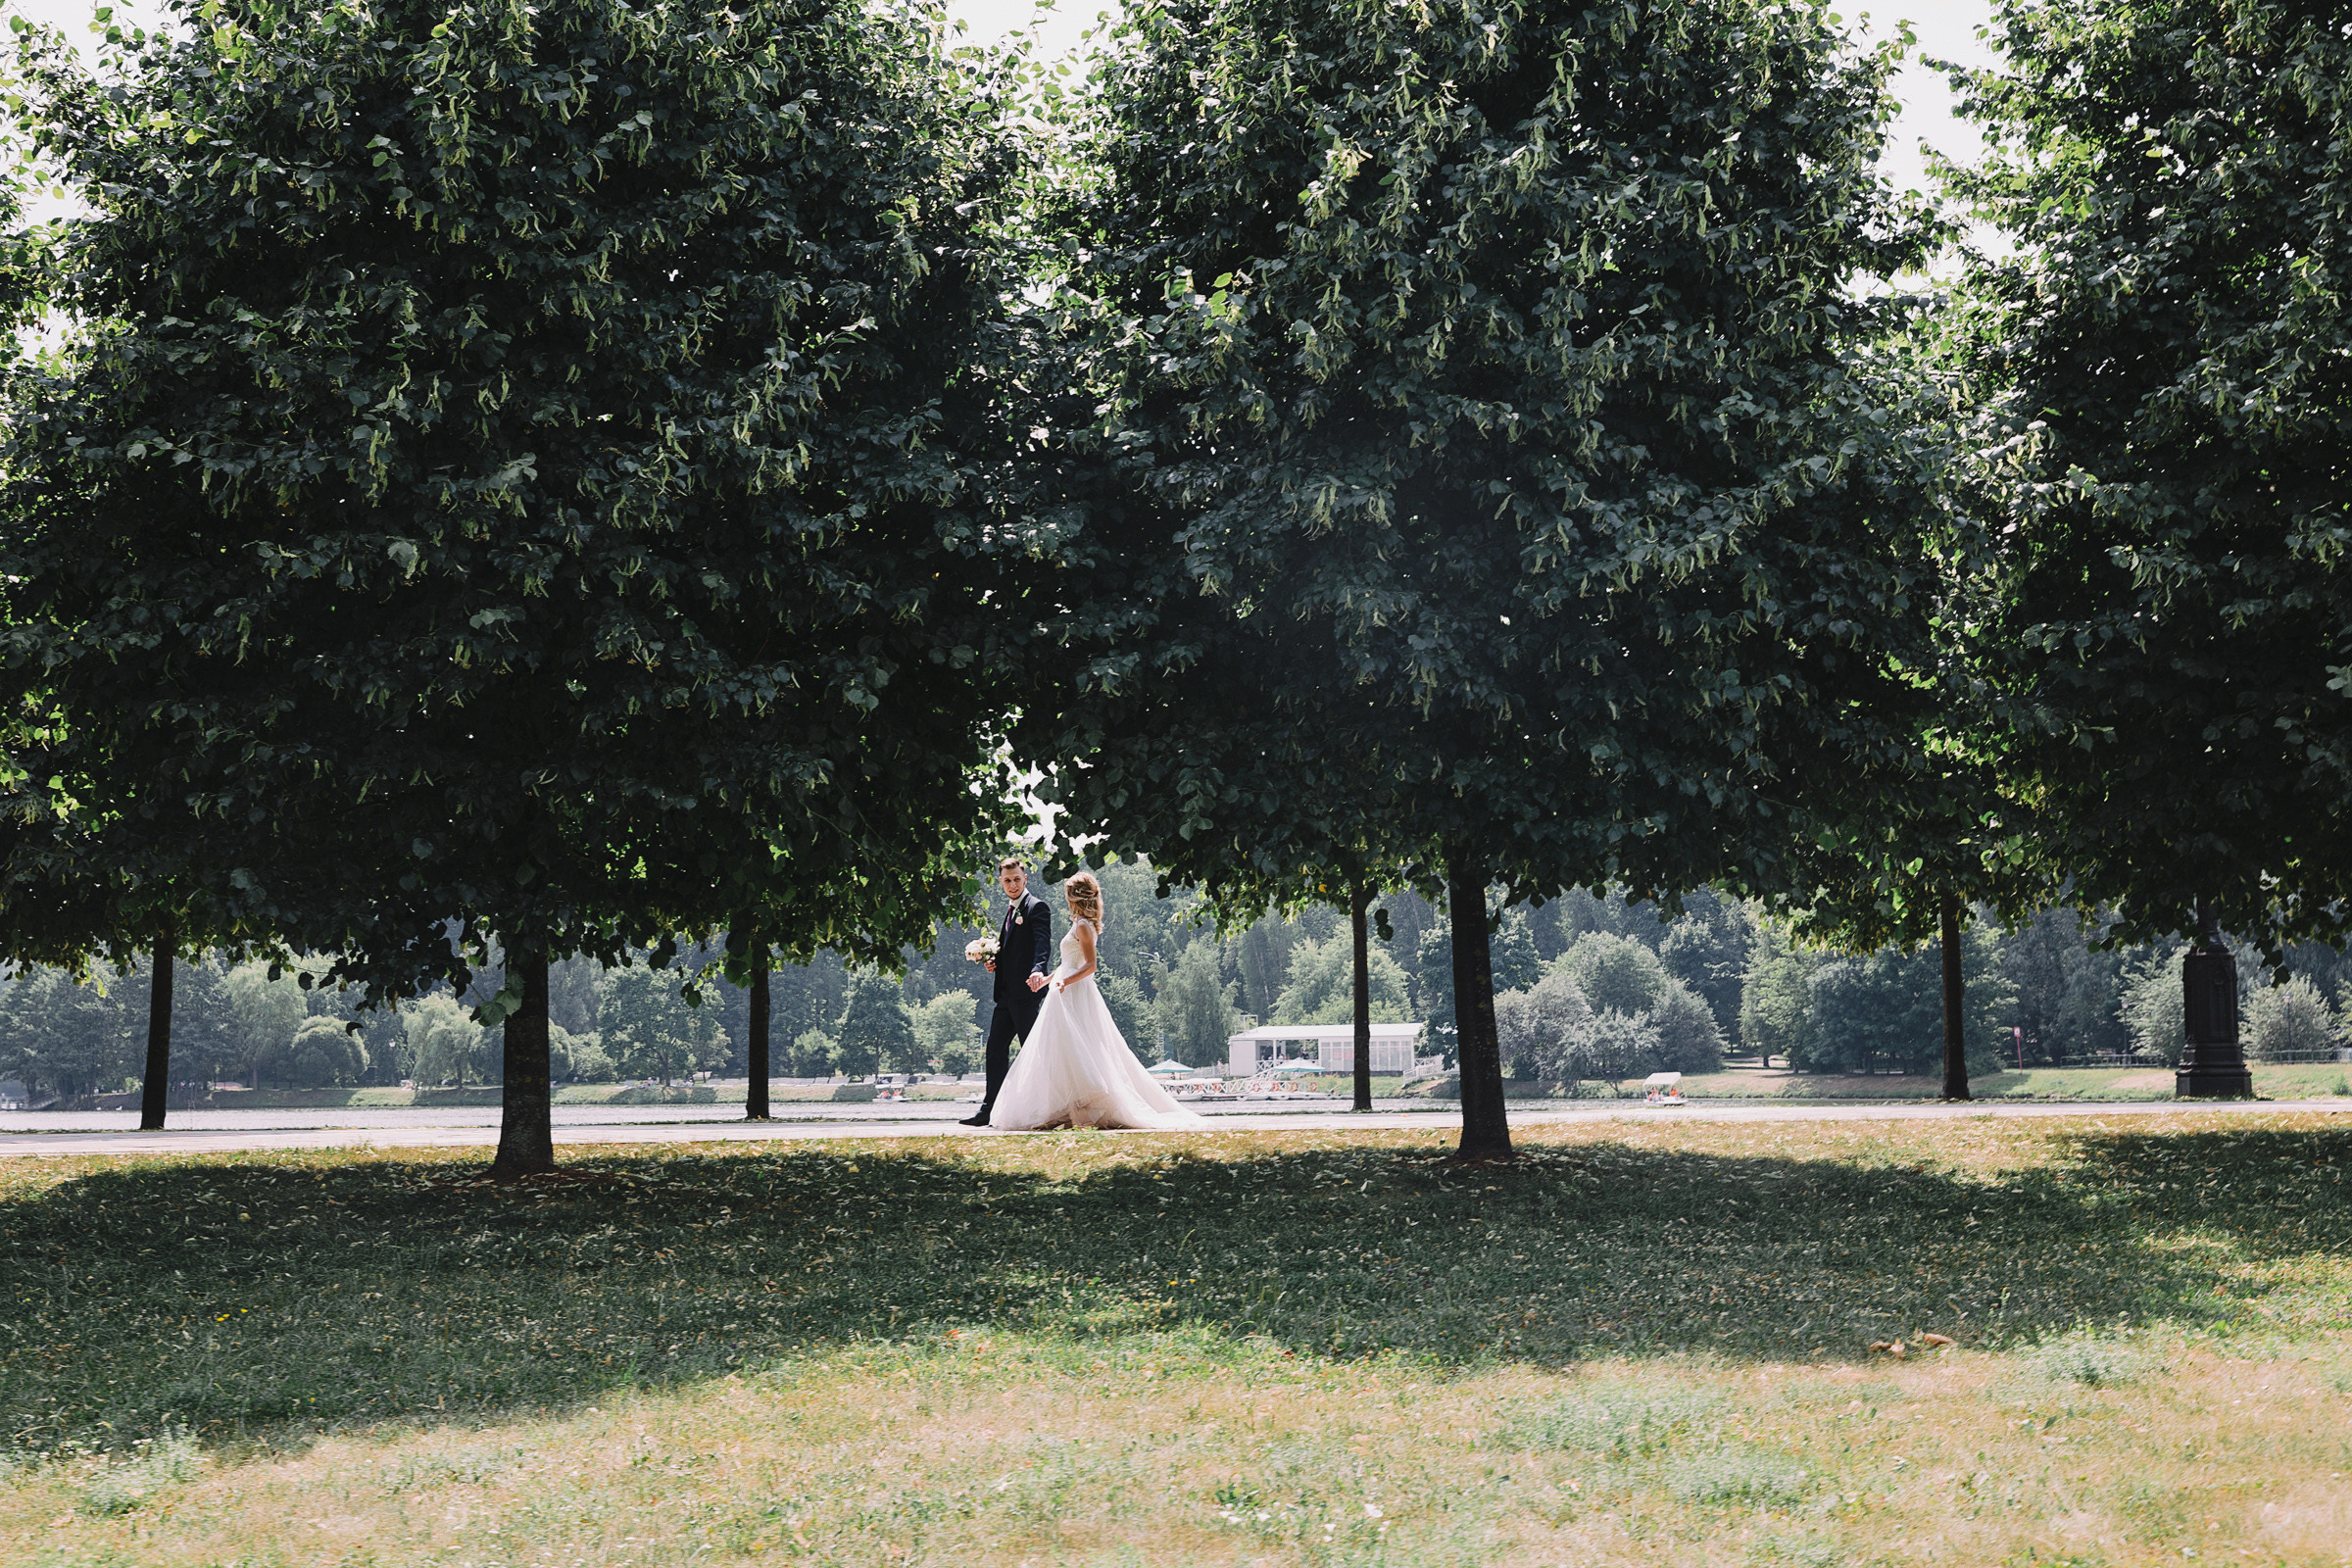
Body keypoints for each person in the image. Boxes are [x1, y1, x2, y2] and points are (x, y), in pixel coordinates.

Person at [985, 871, 1202, 1132]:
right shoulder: (1077, 923)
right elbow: (1067, 963)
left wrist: (1066, 982)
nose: (1065, 899)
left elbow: (1090, 966)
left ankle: (1086, 1104)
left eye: (1068, 894)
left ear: (1075, 896)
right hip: (1061, 991)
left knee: (1079, 1047)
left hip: (1074, 993)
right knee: (1062, 1049)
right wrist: (1046, 981)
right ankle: (1066, 1108)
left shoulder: (1084, 926)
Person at [961, 857, 1054, 1126]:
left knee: (1033, 1053)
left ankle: (1043, 1110)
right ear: (1001, 883)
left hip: (1026, 994)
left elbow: (1041, 945)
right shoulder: (1010, 910)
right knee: (995, 1051)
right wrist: (994, 962)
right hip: (1004, 996)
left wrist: (1038, 969)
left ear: (1025, 879)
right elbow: (1012, 951)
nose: (1012, 884)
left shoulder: (1037, 907)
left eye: (1016, 879)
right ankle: (989, 1110)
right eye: (1007, 880)